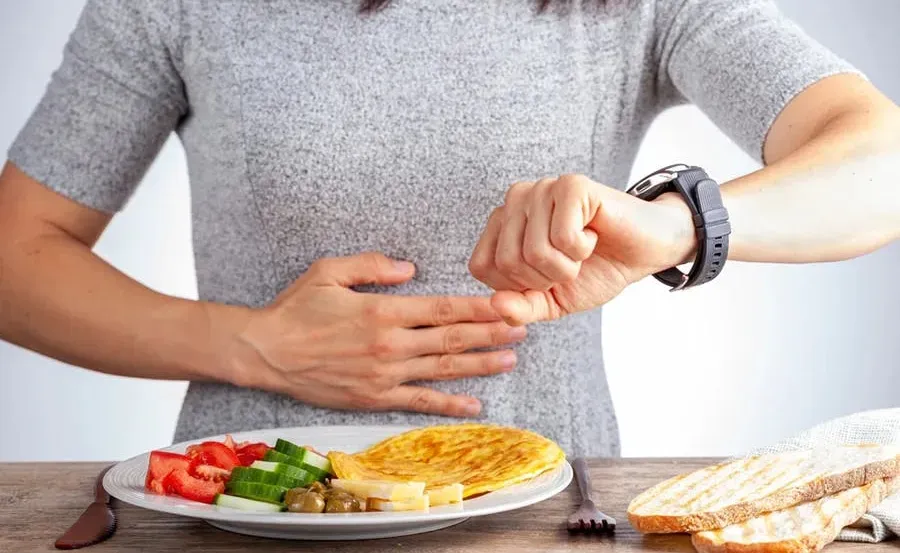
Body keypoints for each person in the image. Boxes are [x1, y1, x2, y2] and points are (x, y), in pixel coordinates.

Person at [0, 0, 897, 457]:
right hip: (248, 510)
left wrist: (675, 227)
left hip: (543, 517)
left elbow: (878, 162)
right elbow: (15, 254)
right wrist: (250, 346)